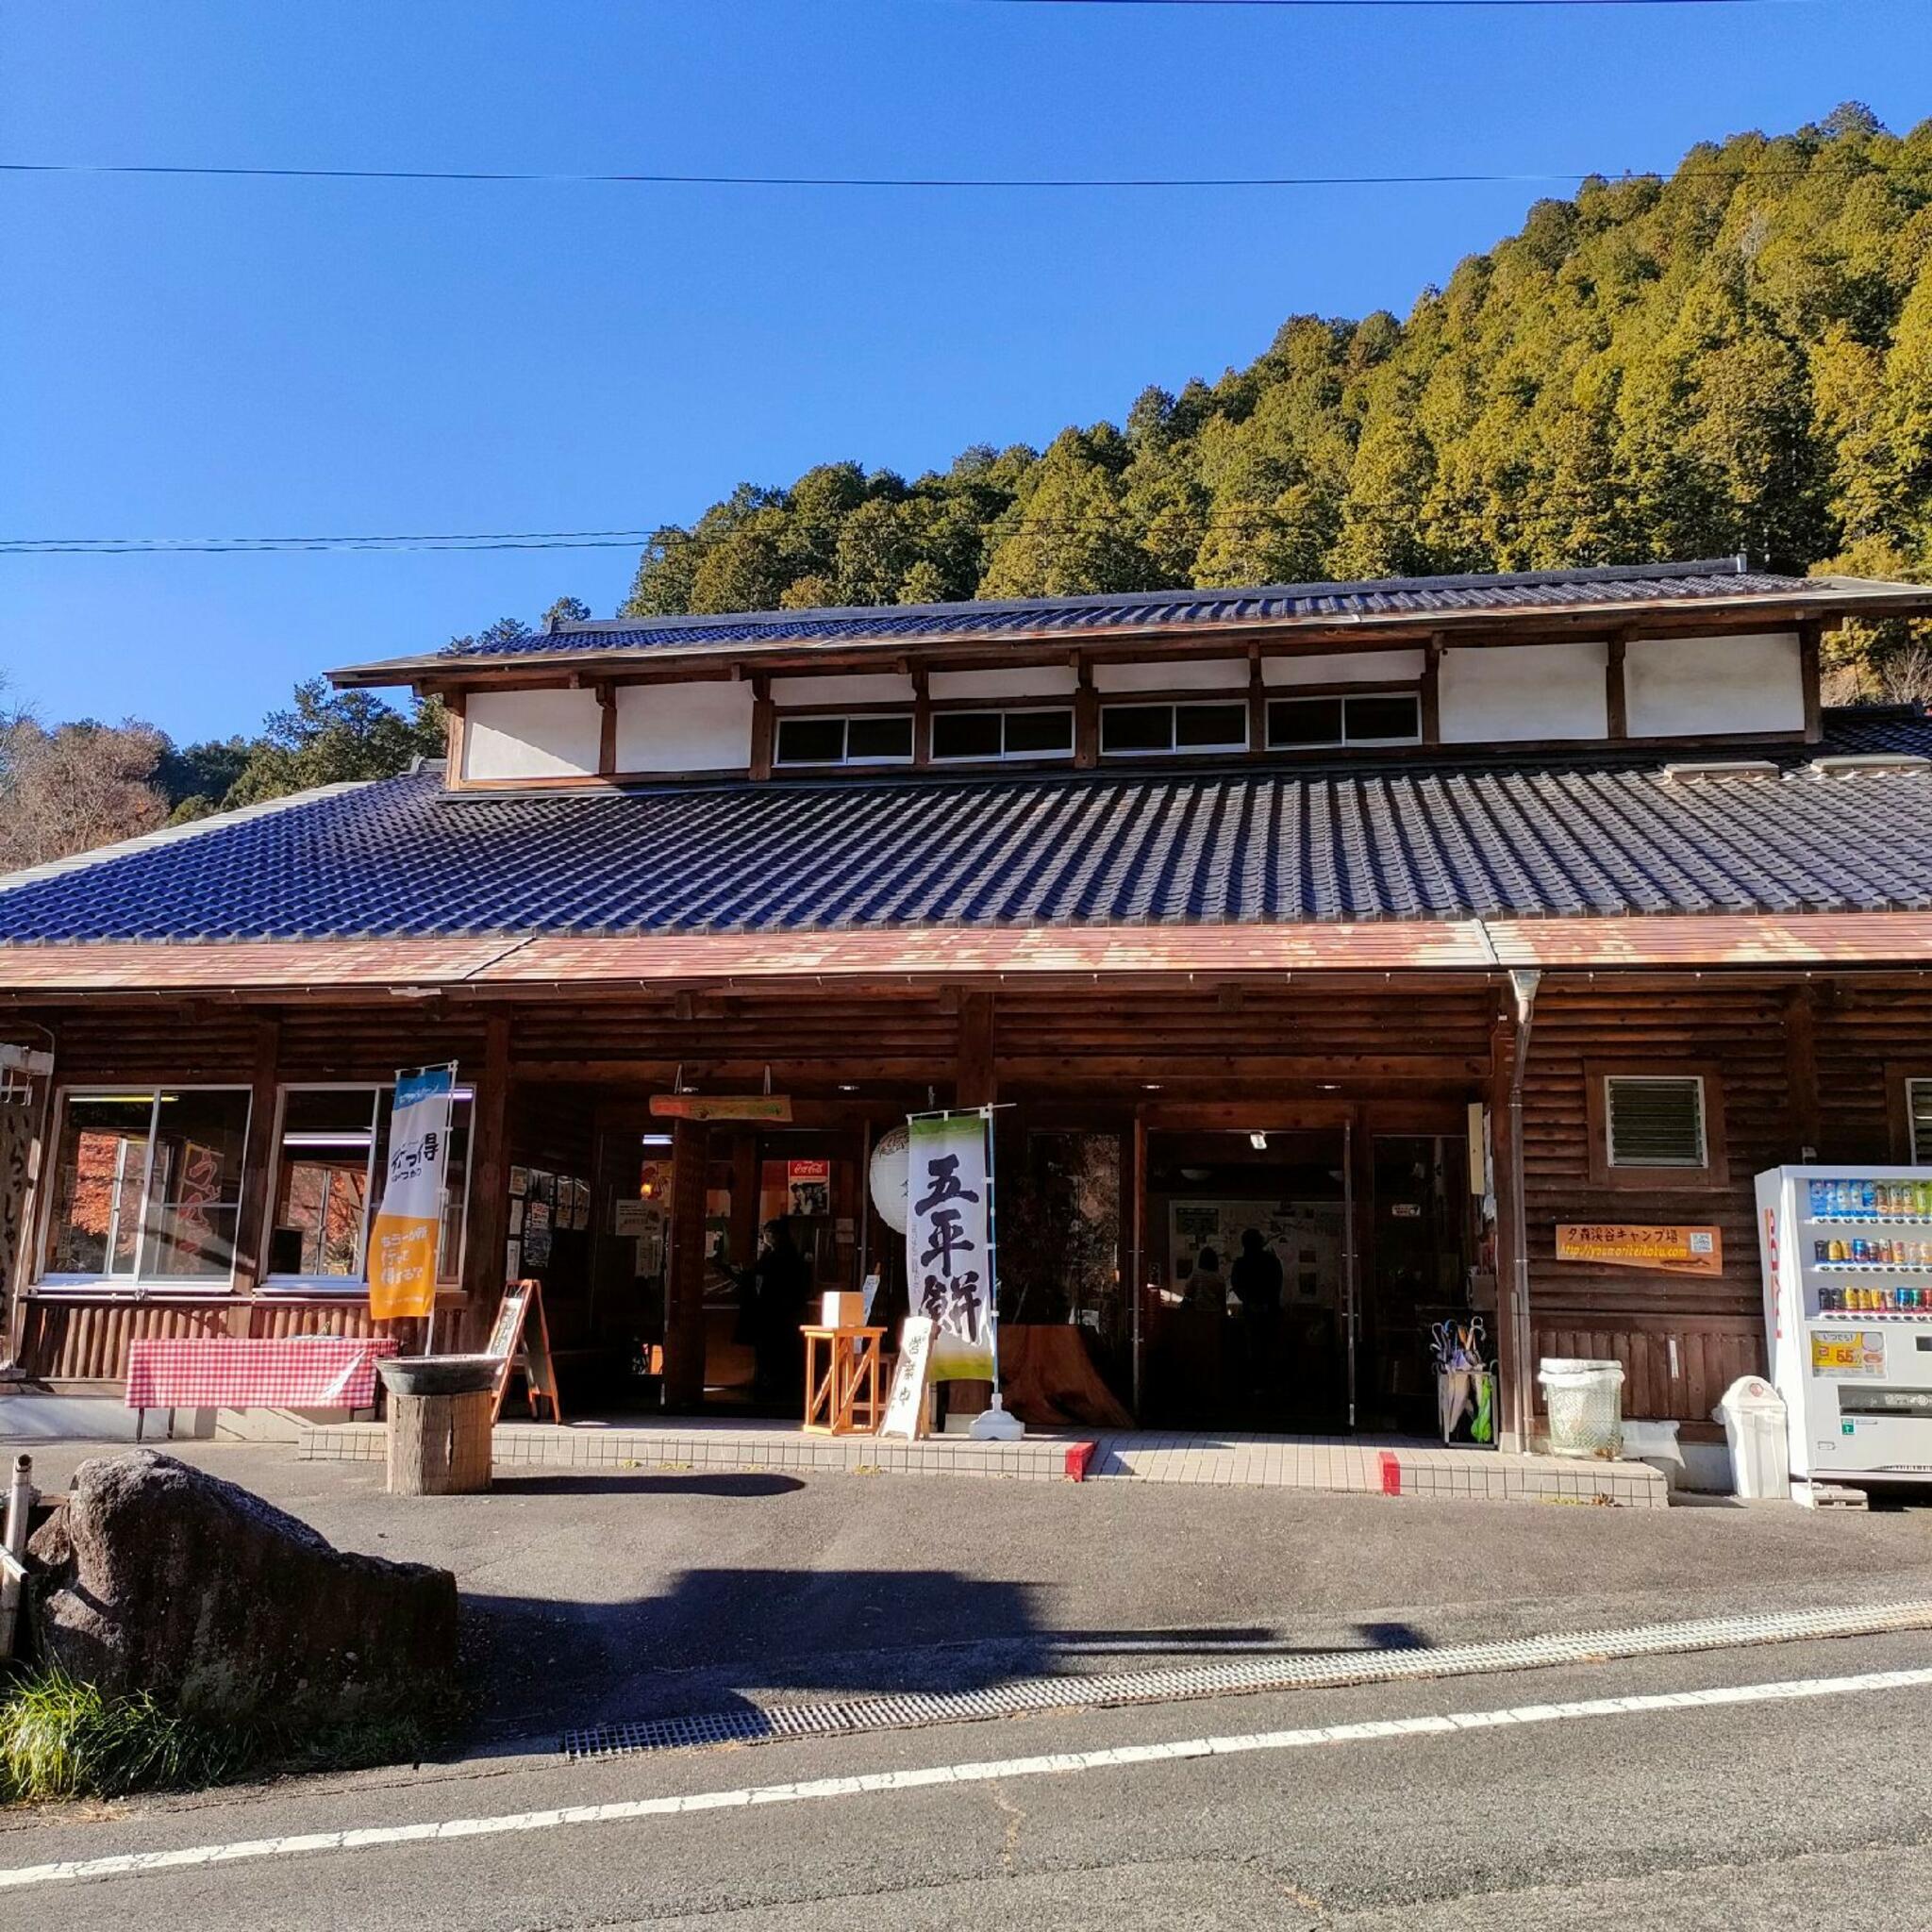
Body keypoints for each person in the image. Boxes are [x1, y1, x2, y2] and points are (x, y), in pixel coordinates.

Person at [750, 1216, 811, 1401]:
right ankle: (769, 1382)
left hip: (780, 1311)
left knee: (776, 1349)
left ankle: (776, 1384)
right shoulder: (771, 1253)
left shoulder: (784, 1255)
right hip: (771, 1310)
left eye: (769, 1233)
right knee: (770, 1349)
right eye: (765, 1233)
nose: (766, 1237)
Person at [1229, 1228, 1284, 1398]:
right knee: (1271, 1348)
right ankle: (1272, 1385)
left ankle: (1256, 1386)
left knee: (1253, 1349)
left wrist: (1249, 1301)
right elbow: (1277, 1283)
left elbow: (1237, 1285)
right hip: (1271, 1311)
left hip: (1251, 1312)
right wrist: (1268, 1302)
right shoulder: (1272, 1261)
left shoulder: (1240, 1264)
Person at [1184, 1245, 1227, 1309]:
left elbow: (1187, 1291)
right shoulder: (1219, 1278)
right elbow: (1222, 1300)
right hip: (1214, 1312)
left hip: (1198, 1311)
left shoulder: (1196, 1274)